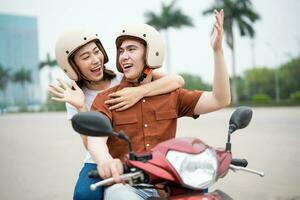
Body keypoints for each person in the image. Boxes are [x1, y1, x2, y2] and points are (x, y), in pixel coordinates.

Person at [90, 9, 230, 200]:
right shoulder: (107, 99)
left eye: (131, 49)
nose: (123, 56)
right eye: (121, 51)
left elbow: (219, 99)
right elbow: (95, 139)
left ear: (151, 54)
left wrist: (217, 50)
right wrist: (105, 160)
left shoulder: (172, 95)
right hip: (127, 185)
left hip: (171, 185)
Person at [49, 28, 185, 200]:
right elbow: (89, 144)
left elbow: (176, 80)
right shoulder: (75, 95)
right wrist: (81, 106)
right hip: (100, 158)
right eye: (85, 57)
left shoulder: (123, 74)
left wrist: (139, 92)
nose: (95, 60)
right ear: (72, 66)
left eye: (97, 52)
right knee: (84, 195)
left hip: (130, 153)